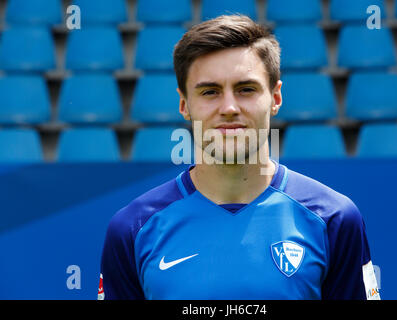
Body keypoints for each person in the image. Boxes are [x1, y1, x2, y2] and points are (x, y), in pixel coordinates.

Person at [98, 15, 380, 300]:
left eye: (246, 89)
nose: (229, 107)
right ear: (184, 104)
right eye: (210, 92)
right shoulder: (133, 229)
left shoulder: (334, 219)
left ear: (276, 98)